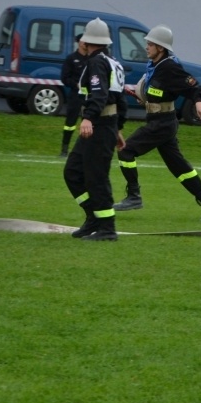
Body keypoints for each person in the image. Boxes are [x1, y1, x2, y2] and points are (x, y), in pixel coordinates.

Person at [112, 25, 201, 222]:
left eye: (150, 44)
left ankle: (134, 196)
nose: (146, 47)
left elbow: (194, 87)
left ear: (160, 48)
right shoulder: (155, 66)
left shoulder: (170, 67)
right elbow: (161, 92)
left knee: (125, 151)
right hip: (160, 121)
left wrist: (198, 102)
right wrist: (147, 100)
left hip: (162, 124)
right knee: (179, 167)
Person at [63, 18, 127, 241]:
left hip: (98, 126)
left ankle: (107, 229)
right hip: (106, 125)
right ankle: (93, 218)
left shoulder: (96, 63)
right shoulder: (112, 62)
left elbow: (99, 94)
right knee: (72, 172)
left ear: (87, 42)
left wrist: (88, 118)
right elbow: (120, 99)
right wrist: (118, 128)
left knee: (96, 178)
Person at [59, 33, 87, 157]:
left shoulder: (92, 59)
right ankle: (64, 149)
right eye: (83, 41)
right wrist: (76, 85)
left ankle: (84, 150)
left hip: (88, 97)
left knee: (87, 123)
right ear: (79, 43)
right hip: (75, 95)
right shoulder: (71, 59)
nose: (86, 43)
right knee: (70, 124)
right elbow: (64, 78)